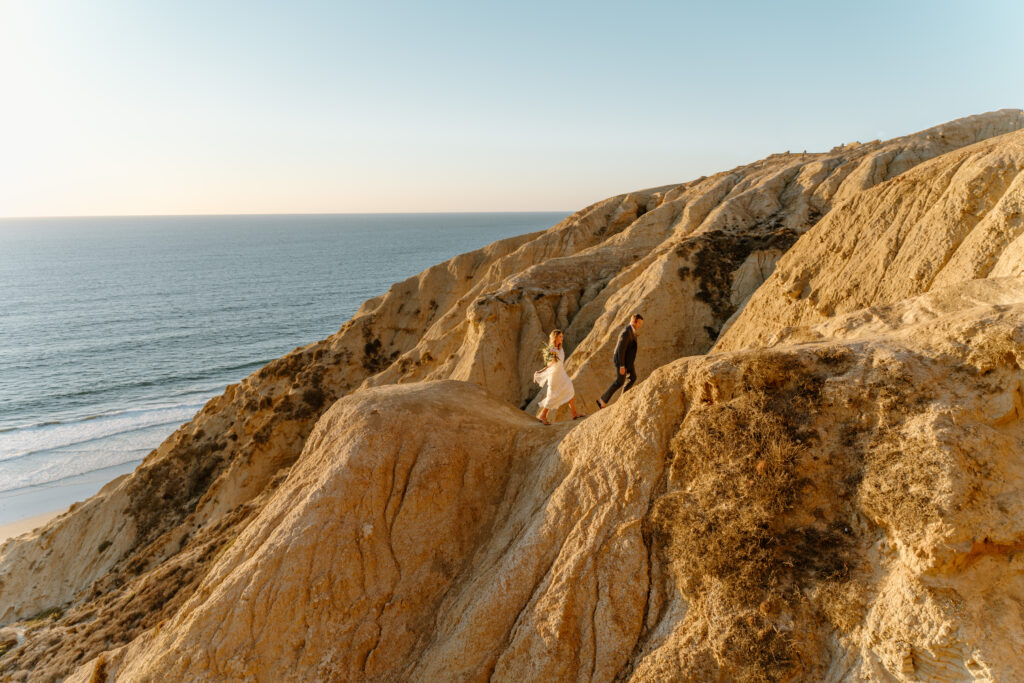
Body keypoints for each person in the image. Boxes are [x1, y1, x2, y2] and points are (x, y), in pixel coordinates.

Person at [533, 329, 585, 425]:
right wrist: (539, 372)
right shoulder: (552, 350)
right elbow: (549, 365)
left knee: (570, 389)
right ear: (555, 337)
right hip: (555, 376)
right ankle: (543, 415)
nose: (562, 338)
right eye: (560, 336)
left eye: (562, 336)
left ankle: (574, 413)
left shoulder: (560, 348)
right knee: (552, 395)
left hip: (561, 374)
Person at [596, 314, 643, 409]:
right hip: (621, 360)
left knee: (632, 378)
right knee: (620, 381)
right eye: (639, 323)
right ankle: (604, 401)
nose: (640, 325)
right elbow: (620, 349)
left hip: (627, 361)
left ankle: (614, 399)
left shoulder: (632, 331)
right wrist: (621, 365)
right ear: (634, 322)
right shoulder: (626, 332)